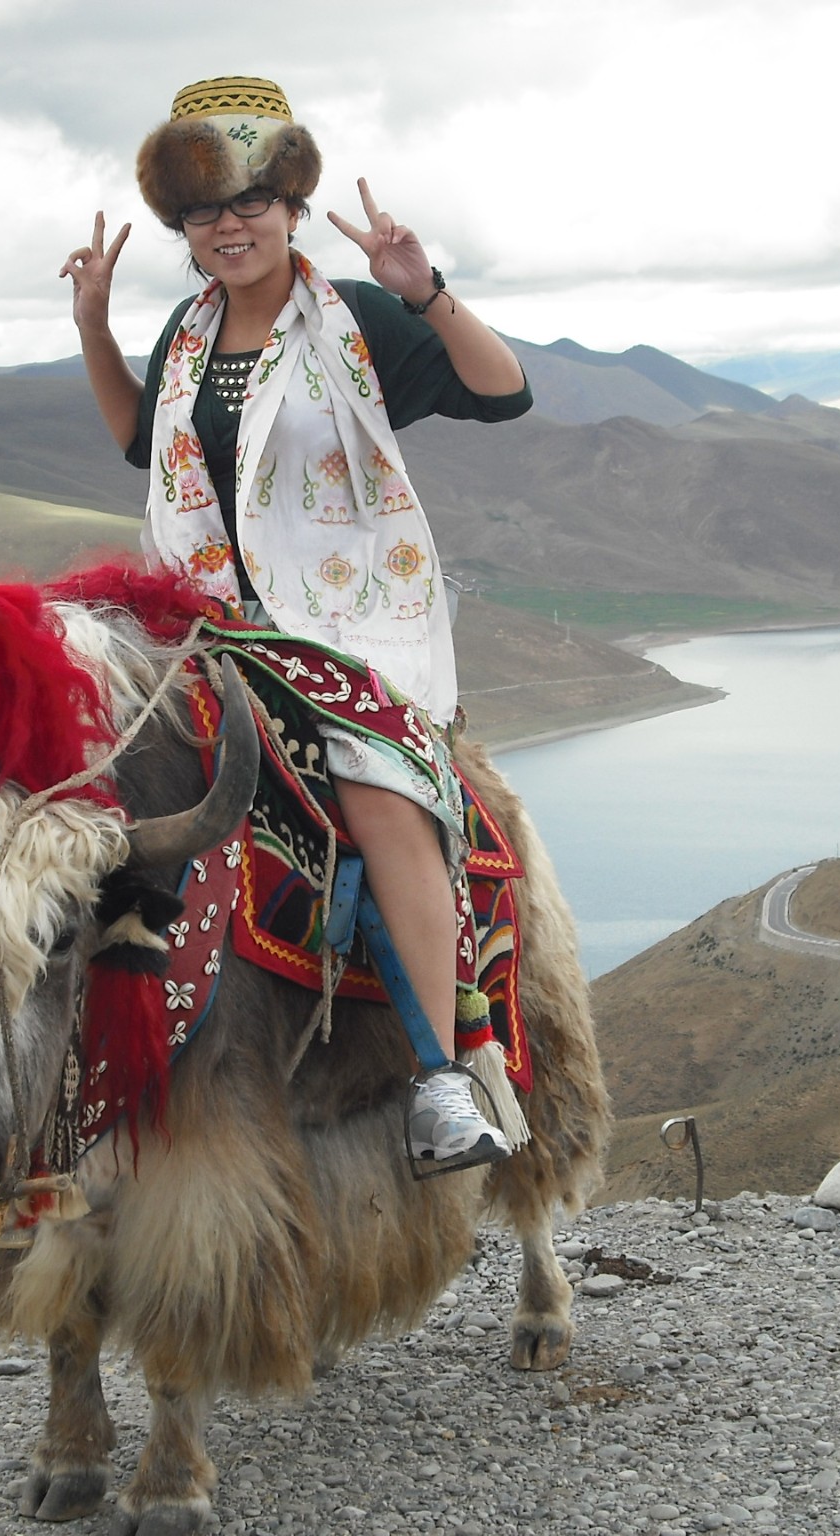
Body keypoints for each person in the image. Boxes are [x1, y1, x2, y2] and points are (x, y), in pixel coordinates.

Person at [61, 75, 533, 1174]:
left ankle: (442, 1082)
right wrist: (92, 326)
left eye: (247, 203)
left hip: (344, 631)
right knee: (70, 767)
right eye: (201, 213)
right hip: (200, 624)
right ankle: (5, 1055)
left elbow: (501, 392)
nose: (226, 227)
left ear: (286, 205)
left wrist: (424, 291)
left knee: (378, 794)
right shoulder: (187, 331)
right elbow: (144, 443)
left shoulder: (355, 318)